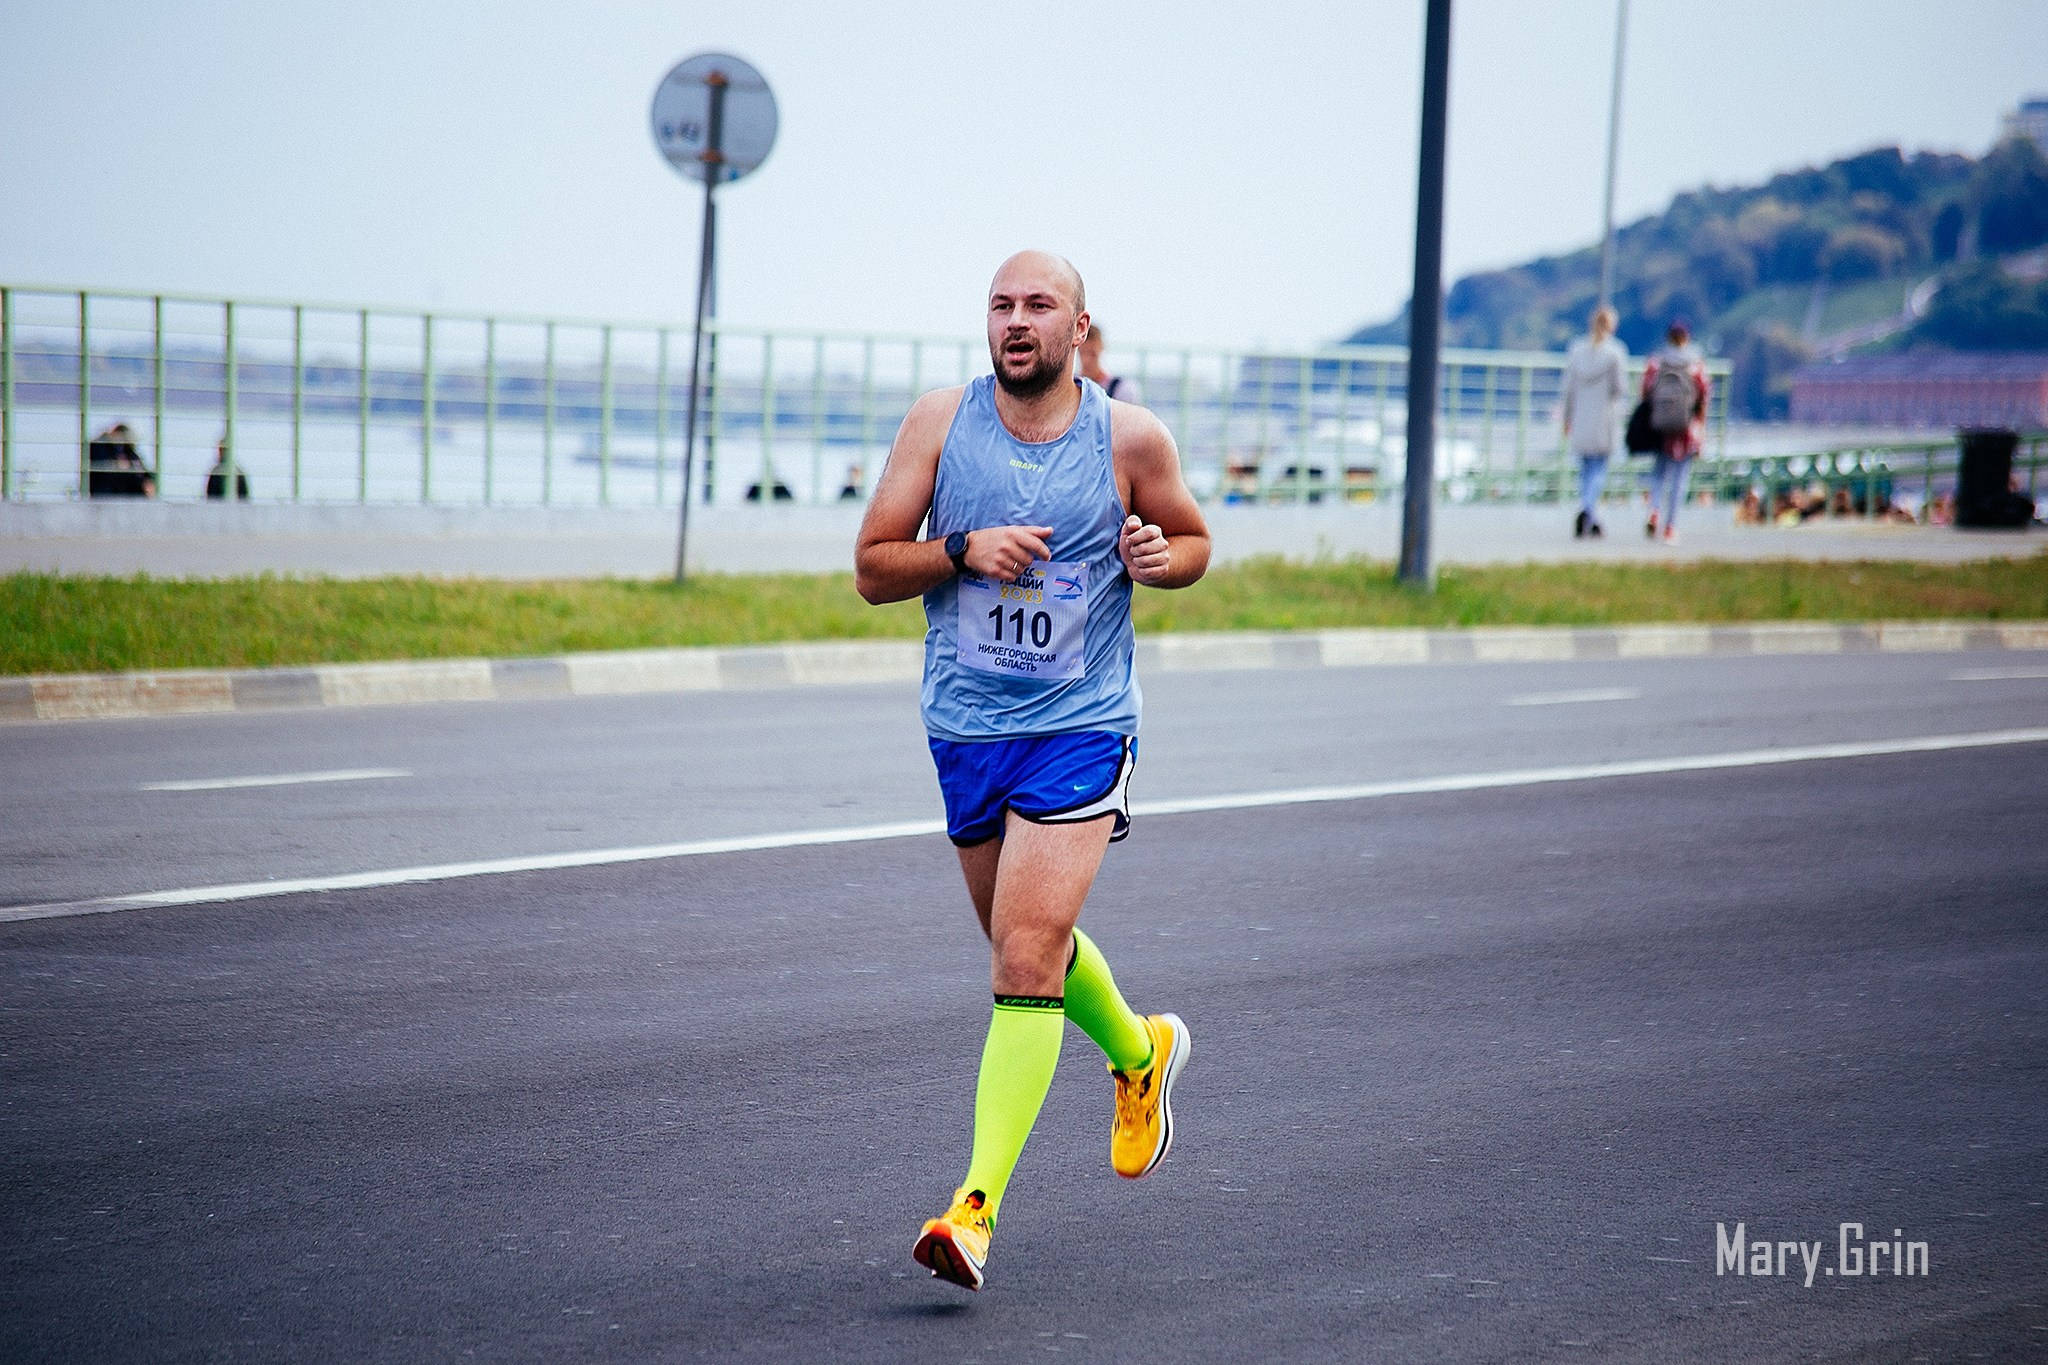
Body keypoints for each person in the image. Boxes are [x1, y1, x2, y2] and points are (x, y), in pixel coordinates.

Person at [854, 250, 1211, 1293]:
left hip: (1081, 724)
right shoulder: (937, 424)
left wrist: (1159, 556)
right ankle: (1139, 1052)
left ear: (1077, 329)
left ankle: (971, 1212)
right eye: (1001, 306)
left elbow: (1191, 539)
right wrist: (961, 548)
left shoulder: (1127, 438)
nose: (1016, 321)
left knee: (1021, 959)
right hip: (966, 728)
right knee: (1022, 943)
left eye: (1037, 305)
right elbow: (874, 567)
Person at [1558, 306, 1628, 537]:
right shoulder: (1616, 353)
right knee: (1598, 468)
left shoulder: (1577, 350)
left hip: (1581, 416)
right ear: (1612, 326)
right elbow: (1620, 389)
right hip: (1604, 418)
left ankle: (1590, 514)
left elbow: (1567, 388)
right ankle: (1588, 510)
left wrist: (1567, 417)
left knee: (1585, 468)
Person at [1639, 321, 1708, 544]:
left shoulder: (1656, 363)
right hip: (1686, 428)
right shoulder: (1695, 366)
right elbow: (1703, 398)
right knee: (1679, 480)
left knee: (1658, 474)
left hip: (1660, 427)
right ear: (1687, 338)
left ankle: (1654, 510)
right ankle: (1671, 527)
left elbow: (1645, 393)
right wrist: (1701, 430)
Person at [1075, 321, 1142, 404]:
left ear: (1102, 348)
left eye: (1092, 354)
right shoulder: (1070, 387)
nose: (1086, 360)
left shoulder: (1122, 389)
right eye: (1082, 353)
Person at [87, 422, 155, 498]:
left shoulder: (127, 451)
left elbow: (141, 469)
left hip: (130, 492)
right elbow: (103, 468)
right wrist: (118, 465)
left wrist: (147, 481)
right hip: (109, 492)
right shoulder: (99, 446)